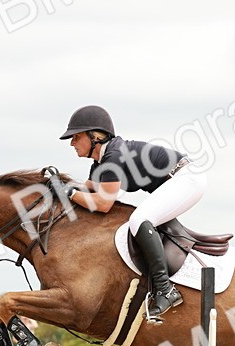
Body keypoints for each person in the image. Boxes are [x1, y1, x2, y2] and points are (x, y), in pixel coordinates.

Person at [59, 105, 207, 321]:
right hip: (177, 180)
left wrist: (69, 193)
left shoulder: (113, 157)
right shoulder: (101, 161)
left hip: (187, 179)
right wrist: (60, 187)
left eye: (76, 137)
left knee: (139, 219)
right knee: (143, 218)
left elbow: (102, 204)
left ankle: (165, 290)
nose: (72, 143)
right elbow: (88, 188)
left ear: (94, 137)